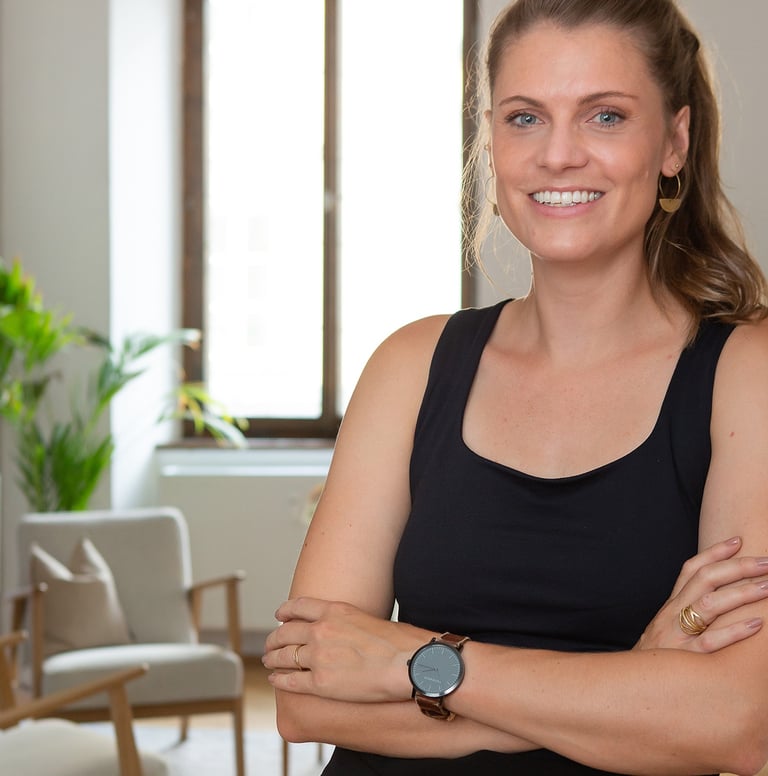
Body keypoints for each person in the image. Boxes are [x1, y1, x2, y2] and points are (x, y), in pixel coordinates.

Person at [262, 1, 768, 773]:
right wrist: (632, 684)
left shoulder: (745, 373)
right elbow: (305, 702)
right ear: (492, 141)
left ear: (675, 141)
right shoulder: (410, 364)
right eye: (525, 118)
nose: (557, 155)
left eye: (604, 116)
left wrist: (417, 664)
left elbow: (736, 722)